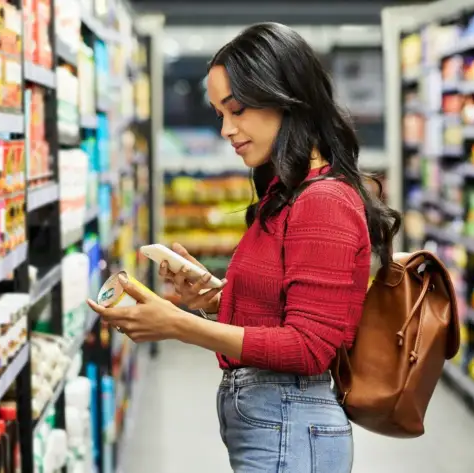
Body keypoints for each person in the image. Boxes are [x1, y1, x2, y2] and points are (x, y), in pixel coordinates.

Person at [87, 22, 400, 473]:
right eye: (219, 114)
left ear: (286, 97)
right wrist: (215, 296)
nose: (226, 130)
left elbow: (309, 348)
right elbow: (285, 308)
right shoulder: (287, 192)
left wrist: (177, 324)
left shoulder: (324, 201)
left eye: (237, 110)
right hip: (277, 422)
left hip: (292, 424)